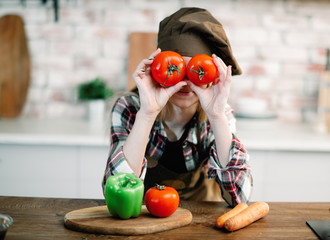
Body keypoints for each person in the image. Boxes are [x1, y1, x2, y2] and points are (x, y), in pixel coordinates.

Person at [102, 7, 252, 206]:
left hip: (200, 217)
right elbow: (116, 194)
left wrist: (216, 116)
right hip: (144, 215)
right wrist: (147, 114)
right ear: (156, 68)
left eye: (197, 72)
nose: (186, 84)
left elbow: (239, 198)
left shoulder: (220, 112)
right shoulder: (130, 107)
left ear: (212, 77)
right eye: (175, 70)